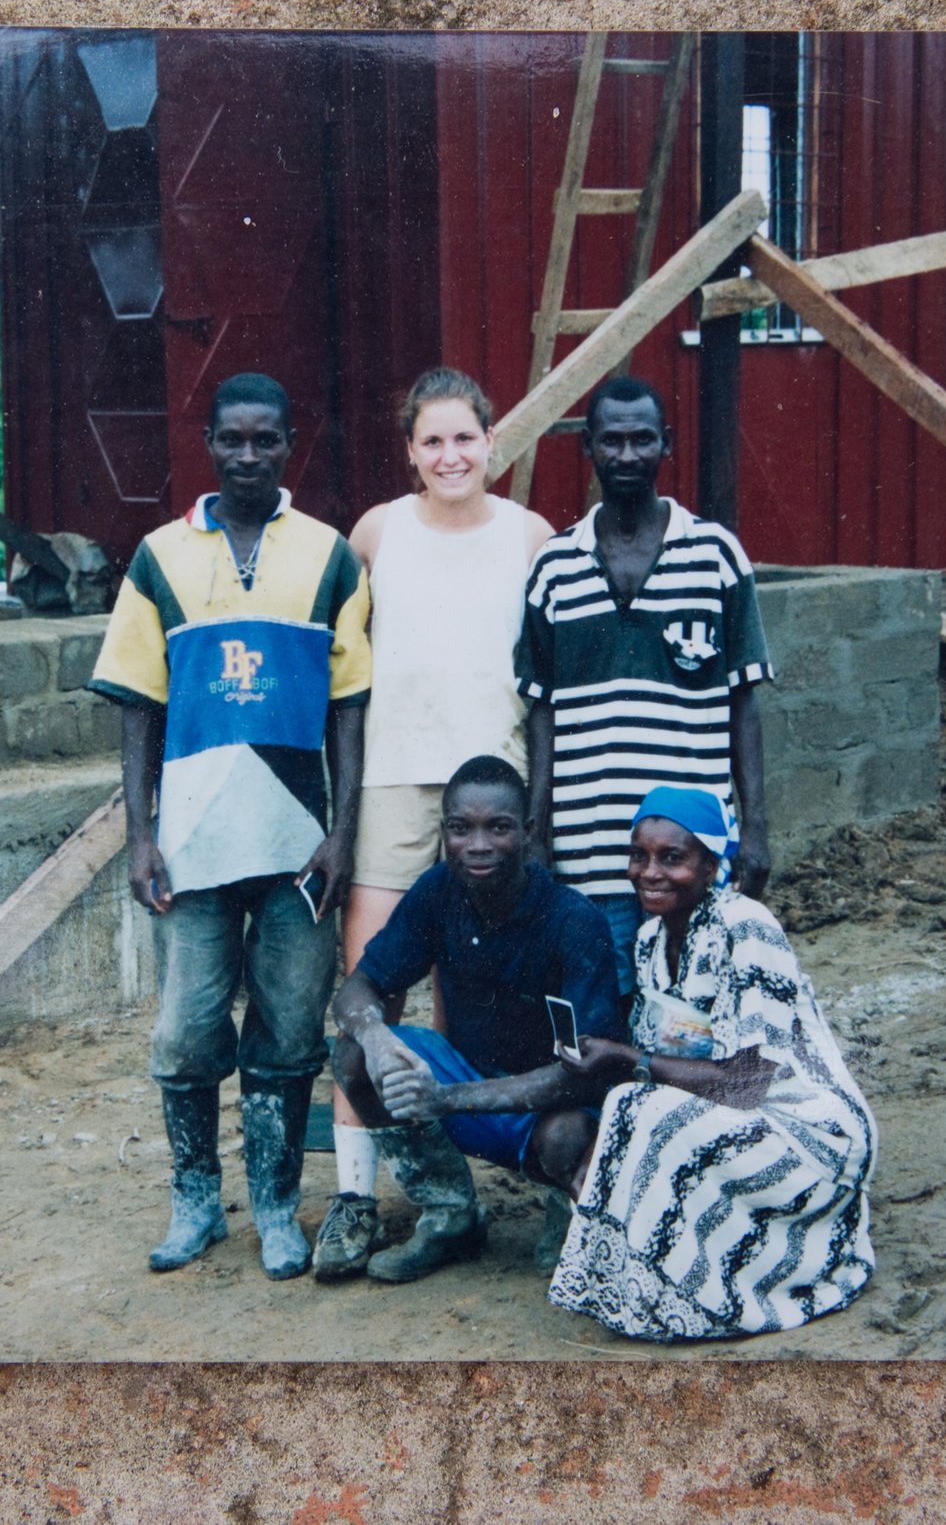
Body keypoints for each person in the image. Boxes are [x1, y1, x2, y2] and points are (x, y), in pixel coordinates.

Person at [84, 372, 371, 1281]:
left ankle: (278, 1208)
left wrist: (344, 831)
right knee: (184, 1030)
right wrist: (141, 834)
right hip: (194, 846)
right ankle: (197, 1202)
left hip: (298, 844)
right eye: (232, 440)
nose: (249, 456)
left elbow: (351, 709)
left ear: (291, 445)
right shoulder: (158, 556)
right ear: (207, 441)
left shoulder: (330, 557)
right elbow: (136, 707)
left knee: (288, 1032)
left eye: (267, 441)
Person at [316, 367, 558, 1278]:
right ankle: (353, 1195)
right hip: (395, 782)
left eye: (465, 438)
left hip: (494, 794)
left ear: (492, 443)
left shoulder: (532, 536)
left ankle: (473, 1193)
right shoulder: (378, 531)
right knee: (370, 988)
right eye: (432, 441)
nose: (450, 456)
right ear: (409, 450)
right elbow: (341, 656)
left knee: (485, 994)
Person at [546, 787, 877, 1341]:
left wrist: (627, 1060)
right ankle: (667, 1285)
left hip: (809, 1132)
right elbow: (678, 1059)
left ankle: (715, 1294)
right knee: (629, 1113)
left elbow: (749, 1081)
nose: (648, 872)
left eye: (671, 858)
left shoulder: (745, 925)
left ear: (709, 866)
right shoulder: (651, 940)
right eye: (639, 855)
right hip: (730, 1117)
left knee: (635, 1104)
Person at [516, 375, 775, 997]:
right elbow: (542, 712)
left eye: (641, 440)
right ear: (590, 449)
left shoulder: (715, 555)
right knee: (603, 1015)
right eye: (612, 441)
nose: (626, 455)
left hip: (691, 853)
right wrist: (536, 831)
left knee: (694, 1015)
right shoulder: (554, 566)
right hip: (590, 854)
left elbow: (744, 701)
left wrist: (758, 830)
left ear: (667, 445)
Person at [326, 755, 626, 1283]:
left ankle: (567, 1211)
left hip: (544, 1106)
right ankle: (450, 1215)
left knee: (569, 1136)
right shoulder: (438, 889)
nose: (479, 845)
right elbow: (359, 987)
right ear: (444, 832)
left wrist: (445, 1099)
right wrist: (375, 1038)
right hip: (465, 1083)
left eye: (499, 828)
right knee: (353, 1056)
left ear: (530, 833)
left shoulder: (574, 920)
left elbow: (586, 1073)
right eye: (461, 829)